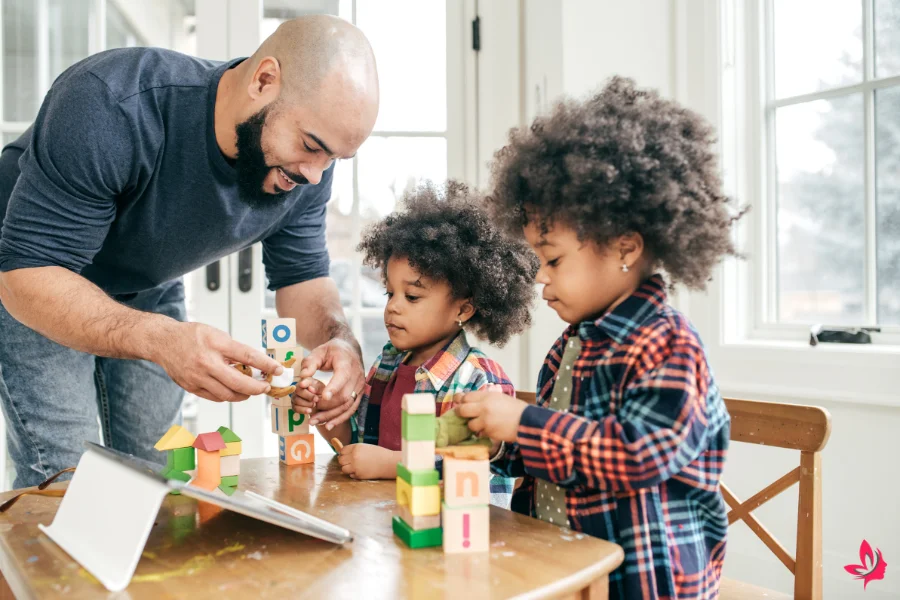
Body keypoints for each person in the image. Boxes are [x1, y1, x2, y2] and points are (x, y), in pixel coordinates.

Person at [0, 15, 378, 488]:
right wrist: (160, 339)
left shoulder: (306, 170)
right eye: (311, 146)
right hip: (35, 273)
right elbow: (24, 277)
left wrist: (341, 338)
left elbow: (302, 282)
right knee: (64, 481)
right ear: (264, 80)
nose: (315, 175)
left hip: (146, 285)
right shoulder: (111, 103)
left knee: (155, 476)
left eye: (334, 160)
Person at [460, 77, 745, 599]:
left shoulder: (667, 343)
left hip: (643, 581)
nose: (540, 278)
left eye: (554, 260)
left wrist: (525, 421)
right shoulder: (572, 345)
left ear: (625, 248)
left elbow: (639, 455)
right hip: (562, 566)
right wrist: (496, 436)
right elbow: (553, 452)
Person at [295, 181, 537, 505]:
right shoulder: (386, 366)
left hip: (451, 535)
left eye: (412, 296)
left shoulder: (478, 380)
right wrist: (327, 412)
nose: (393, 306)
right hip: (386, 524)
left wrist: (392, 465)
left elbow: (477, 469)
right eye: (389, 293)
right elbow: (359, 446)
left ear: (463, 308)